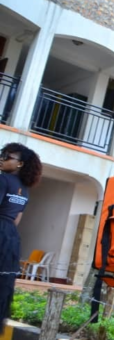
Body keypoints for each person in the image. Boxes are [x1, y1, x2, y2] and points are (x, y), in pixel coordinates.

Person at [0, 143, 42, 334]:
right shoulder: (24, 189)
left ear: (20, 164)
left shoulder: (4, 180)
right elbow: (17, 218)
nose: (2, 158)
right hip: (11, 238)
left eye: (7, 156)